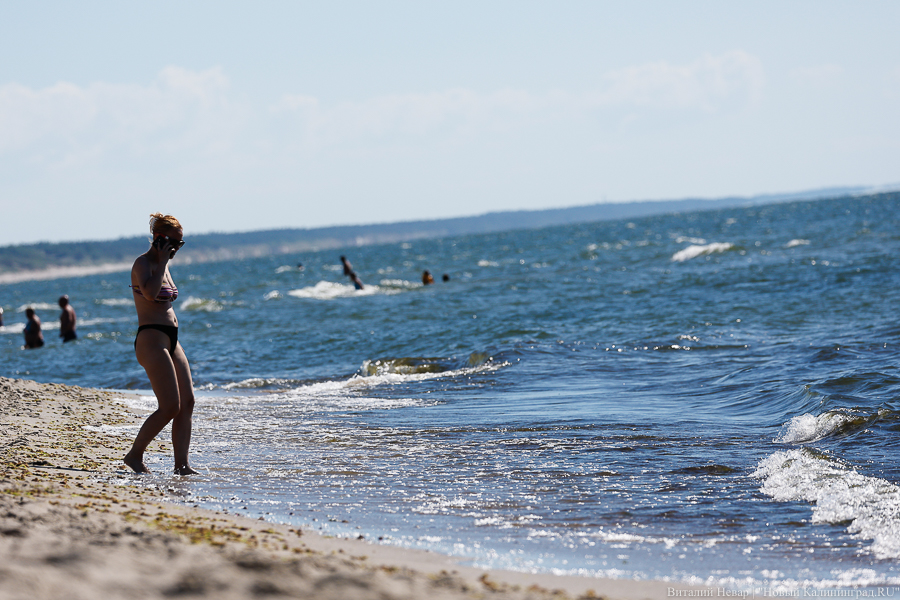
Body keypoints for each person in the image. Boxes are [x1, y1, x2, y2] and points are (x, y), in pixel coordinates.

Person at [124, 212, 197, 475]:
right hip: (151, 339)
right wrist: (163, 259)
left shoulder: (165, 265)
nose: (176, 248)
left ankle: (181, 465)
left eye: (180, 243)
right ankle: (134, 455)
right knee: (169, 406)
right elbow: (150, 293)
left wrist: (165, 261)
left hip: (171, 339)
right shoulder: (142, 264)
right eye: (173, 242)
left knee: (187, 402)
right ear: (158, 238)